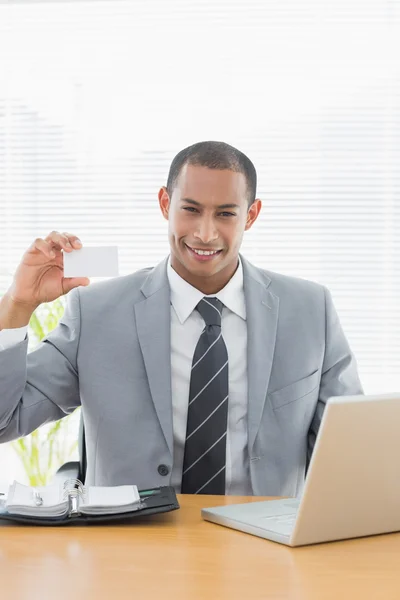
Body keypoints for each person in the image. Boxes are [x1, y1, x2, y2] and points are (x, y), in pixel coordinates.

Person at [0, 141, 363, 496]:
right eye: (190, 209)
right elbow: (6, 420)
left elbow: (350, 455)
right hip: (131, 545)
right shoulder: (95, 312)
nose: (205, 234)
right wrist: (17, 304)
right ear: (165, 204)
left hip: (265, 543)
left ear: (250, 215)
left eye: (225, 213)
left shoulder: (311, 310)